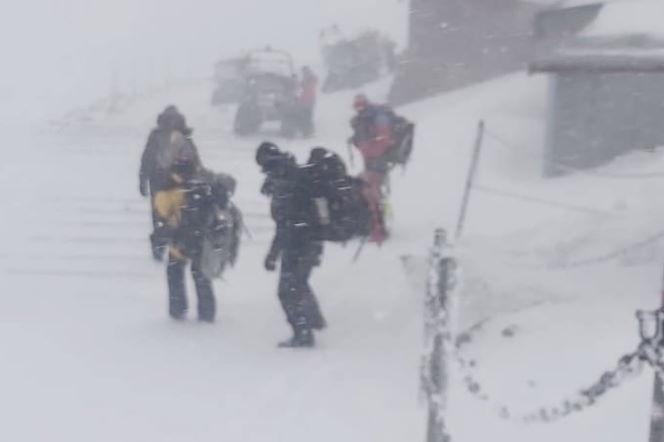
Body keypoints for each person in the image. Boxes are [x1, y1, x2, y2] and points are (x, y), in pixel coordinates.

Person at [257, 141, 326, 348]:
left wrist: (273, 254)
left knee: (287, 291)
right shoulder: (295, 172)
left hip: (297, 243)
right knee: (300, 281)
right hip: (312, 239)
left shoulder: (284, 184)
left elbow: (284, 225)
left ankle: (303, 333)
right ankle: (315, 320)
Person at [151, 153, 235, 322]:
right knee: (201, 277)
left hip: (178, 243)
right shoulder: (204, 188)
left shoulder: (168, 194)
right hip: (201, 243)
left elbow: (163, 215)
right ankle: (207, 312)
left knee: (175, 273)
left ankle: (178, 309)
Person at [139, 105, 201, 260]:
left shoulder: (158, 136)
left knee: (162, 216)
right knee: (172, 216)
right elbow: (195, 160)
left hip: (163, 182)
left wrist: (143, 179)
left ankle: (162, 245)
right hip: (173, 182)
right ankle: (167, 245)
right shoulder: (181, 136)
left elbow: (146, 159)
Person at [348, 93, 394, 243]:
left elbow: (384, 139)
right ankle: (377, 226)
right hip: (371, 161)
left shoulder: (378, 117)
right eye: (357, 106)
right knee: (372, 193)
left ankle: (378, 230)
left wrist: (368, 148)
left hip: (378, 161)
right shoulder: (363, 119)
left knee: (371, 193)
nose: (359, 109)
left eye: (361, 105)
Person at [297, 66, 318, 137]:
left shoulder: (310, 79)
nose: (303, 74)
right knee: (306, 116)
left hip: (308, 100)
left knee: (307, 116)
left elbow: (308, 89)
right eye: (303, 72)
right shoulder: (307, 79)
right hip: (306, 100)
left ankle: (307, 132)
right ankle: (307, 131)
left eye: (304, 72)